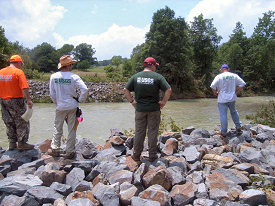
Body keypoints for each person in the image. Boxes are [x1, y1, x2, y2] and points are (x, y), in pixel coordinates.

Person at [123, 57, 172, 162]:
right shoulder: (157, 77)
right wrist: (163, 102)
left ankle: (136, 155)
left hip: (140, 109)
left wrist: (132, 102)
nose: (156, 68)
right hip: (154, 109)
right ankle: (152, 155)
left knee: (139, 132)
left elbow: (126, 89)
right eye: (155, 66)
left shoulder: (136, 76)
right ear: (152, 65)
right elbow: (168, 89)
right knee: (152, 132)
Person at [48, 55, 88, 159]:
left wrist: (57, 102)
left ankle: (55, 149)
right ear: (69, 65)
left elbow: (52, 94)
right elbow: (85, 89)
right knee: (72, 129)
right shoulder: (74, 76)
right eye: (71, 64)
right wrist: (81, 100)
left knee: (57, 127)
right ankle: (69, 151)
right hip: (72, 106)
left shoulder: (53, 76)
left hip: (60, 106)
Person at [0, 55, 34, 151]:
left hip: (3, 100)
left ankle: (12, 143)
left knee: (8, 121)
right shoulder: (18, 72)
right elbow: (24, 87)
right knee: (22, 121)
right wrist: (28, 100)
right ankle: (22, 143)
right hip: (16, 100)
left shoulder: (1, 72)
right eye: (21, 64)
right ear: (18, 63)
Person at [210, 64, 246, 137]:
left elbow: (212, 86)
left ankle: (223, 132)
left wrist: (216, 93)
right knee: (233, 111)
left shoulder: (219, 76)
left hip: (222, 99)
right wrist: (236, 92)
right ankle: (238, 126)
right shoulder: (234, 75)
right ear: (228, 69)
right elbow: (242, 84)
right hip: (232, 98)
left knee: (223, 115)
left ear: (221, 70)